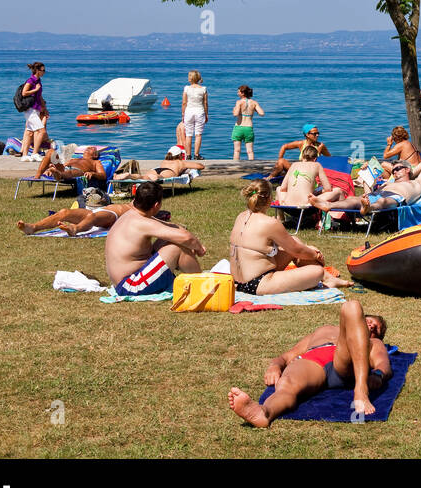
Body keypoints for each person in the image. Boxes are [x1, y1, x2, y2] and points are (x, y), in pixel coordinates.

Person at [227, 300, 391, 426]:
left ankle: (360, 390)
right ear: (360, 320)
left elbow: (383, 363)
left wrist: (378, 375)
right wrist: (275, 366)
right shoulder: (324, 330)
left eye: (375, 329)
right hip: (314, 360)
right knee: (287, 384)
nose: (371, 326)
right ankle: (264, 413)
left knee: (352, 305)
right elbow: (286, 356)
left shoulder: (373, 343)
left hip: (343, 361)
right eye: (369, 321)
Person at [229, 181, 352, 295]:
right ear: (269, 199)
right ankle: (325, 278)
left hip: (237, 281)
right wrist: (315, 254)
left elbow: (291, 246)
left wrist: (307, 249)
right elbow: (296, 251)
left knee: (296, 240)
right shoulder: (270, 223)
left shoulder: (241, 216)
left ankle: (329, 278)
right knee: (317, 271)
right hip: (257, 283)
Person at [104, 181, 205, 296]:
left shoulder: (132, 215)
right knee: (176, 247)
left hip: (127, 281)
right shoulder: (141, 222)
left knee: (172, 239)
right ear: (156, 205)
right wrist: (199, 249)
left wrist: (186, 236)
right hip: (130, 285)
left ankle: (197, 278)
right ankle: (202, 284)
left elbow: (173, 228)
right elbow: (187, 238)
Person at [315, 159, 421, 214]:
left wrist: (410, 174)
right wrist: (367, 174)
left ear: (407, 169)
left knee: (382, 201)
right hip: (375, 195)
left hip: (395, 197)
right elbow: (370, 191)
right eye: (393, 170)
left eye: (397, 169)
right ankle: (328, 205)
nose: (394, 172)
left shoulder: (417, 183)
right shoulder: (389, 182)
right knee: (354, 199)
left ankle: (368, 208)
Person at [18, 202, 133, 236]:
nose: (88, 150)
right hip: (101, 210)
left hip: (113, 215)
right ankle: (33, 227)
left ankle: (75, 229)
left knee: (92, 217)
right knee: (64, 212)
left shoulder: (147, 206)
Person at [19, 62, 48, 162]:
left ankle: (25, 155)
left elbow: (39, 96)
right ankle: (35, 153)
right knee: (41, 131)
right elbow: (24, 93)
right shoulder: (31, 80)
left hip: (36, 109)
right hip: (30, 109)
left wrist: (44, 107)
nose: (44, 72)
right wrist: (35, 90)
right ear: (37, 70)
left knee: (30, 132)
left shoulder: (38, 81)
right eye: (43, 70)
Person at [34, 145, 107, 183]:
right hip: (64, 168)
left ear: (95, 155)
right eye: (88, 147)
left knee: (69, 172)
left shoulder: (96, 162)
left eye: (92, 148)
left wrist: (93, 173)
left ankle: (58, 174)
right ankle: (37, 176)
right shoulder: (74, 159)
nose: (89, 148)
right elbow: (63, 166)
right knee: (51, 151)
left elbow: (103, 175)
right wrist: (49, 170)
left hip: (77, 171)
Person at [231, 85, 265, 161]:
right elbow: (262, 113)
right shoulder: (254, 102)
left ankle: (235, 166)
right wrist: (254, 110)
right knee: (250, 151)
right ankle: (251, 167)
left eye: (238, 92)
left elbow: (235, 114)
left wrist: (234, 110)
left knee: (237, 150)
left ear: (243, 93)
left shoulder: (239, 102)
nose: (237, 93)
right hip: (249, 128)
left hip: (239, 127)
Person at [181, 70, 208, 160]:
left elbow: (184, 103)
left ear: (191, 78)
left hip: (189, 112)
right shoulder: (203, 89)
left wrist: (183, 114)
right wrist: (207, 114)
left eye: (189, 76)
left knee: (188, 135)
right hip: (200, 112)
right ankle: (196, 155)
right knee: (198, 134)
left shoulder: (186, 88)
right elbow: (205, 103)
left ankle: (188, 155)